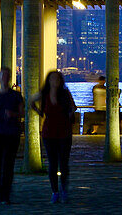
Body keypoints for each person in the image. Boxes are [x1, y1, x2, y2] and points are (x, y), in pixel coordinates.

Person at [31, 71, 77, 204]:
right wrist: (39, 112)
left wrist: (69, 113)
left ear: (60, 80)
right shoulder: (44, 94)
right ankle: (55, 192)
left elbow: (74, 107)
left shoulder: (65, 93)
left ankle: (63, 190)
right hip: (49, 131)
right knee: (52, 163)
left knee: (63, 163)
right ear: (49, 81)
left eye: (57, 79)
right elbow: (31, 101)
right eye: (52, 79)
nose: (54, 81)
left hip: (64, 130)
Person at [0, 67, 23, 205]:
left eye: (7, 76)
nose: (4, 78)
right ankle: (0, 192)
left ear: (9, 78)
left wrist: (13, 114)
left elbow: (22, 112)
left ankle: (5, 194)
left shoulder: (16, 95)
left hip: (11, 133)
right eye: (2, 76)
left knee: (8, 165)